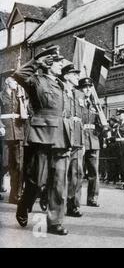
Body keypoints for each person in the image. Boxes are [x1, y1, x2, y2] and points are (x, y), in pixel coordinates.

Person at [14, 46, 71, 235]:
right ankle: (24, 205)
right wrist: (37, 61)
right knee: (36, 180)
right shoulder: (36, 81)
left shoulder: (63, 84)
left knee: (59, 181)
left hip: (61, 136)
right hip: (42, 135)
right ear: (48, 64)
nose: (61, 64)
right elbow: (19, 75)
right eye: (57, 62)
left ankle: (54, 222)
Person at [60, 62, 85, 217]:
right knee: (59, 173)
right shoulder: (59, 90)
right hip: (63, 136)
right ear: (66, 76)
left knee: (77, 173)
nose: (77, 77)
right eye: (75, 74)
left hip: (77, 137)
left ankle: (73, 205)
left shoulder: (79, 94)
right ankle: (49, 198)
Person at [0, 72, 25, 204]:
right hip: (4, 131)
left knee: (18, 164)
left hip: (18, 131)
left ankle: (15, 194)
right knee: (3, 163)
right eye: (14, 82)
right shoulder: (0, 95)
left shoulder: (19, 95)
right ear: (7, 82)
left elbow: (24, 113)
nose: (17, 84)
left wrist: (21, 99)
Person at [78, 77, 102, 207]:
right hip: (80, 139)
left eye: (89, 87)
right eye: (85, 87)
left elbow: (99, 123)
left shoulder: (95, 105)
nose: (87, 90)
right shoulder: (76, 103)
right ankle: (75, 199)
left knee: (94, 172)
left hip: (93, 140)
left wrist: (103, 128)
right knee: (78, 171)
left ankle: (92, 198)